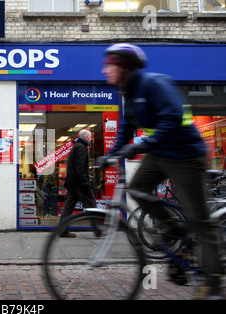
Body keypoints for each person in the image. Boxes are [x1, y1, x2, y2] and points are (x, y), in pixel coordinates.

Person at [102, 43, 224, 299]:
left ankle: (212, 282)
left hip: (186, 154)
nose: (105, 70)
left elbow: (172, 117)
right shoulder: (129, 92)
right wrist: (111, 154)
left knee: (199, 219)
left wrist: (142, 145)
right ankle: (172, 228)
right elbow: (125, 129)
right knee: (136, 189)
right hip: (160, 153)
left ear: (124, 66)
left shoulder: (154, 83)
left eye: (109, 65)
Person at [60, 129, 101, 237]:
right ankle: (98, 229)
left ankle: (62, 230)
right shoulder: (81, 148)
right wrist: (85, 182)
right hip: (80, 183)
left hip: (73, 182)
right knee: (91, 204)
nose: (91, 139)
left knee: (68, 207)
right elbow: (80, 167)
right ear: (86, 137)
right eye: (90, 137)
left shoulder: (77, 146)